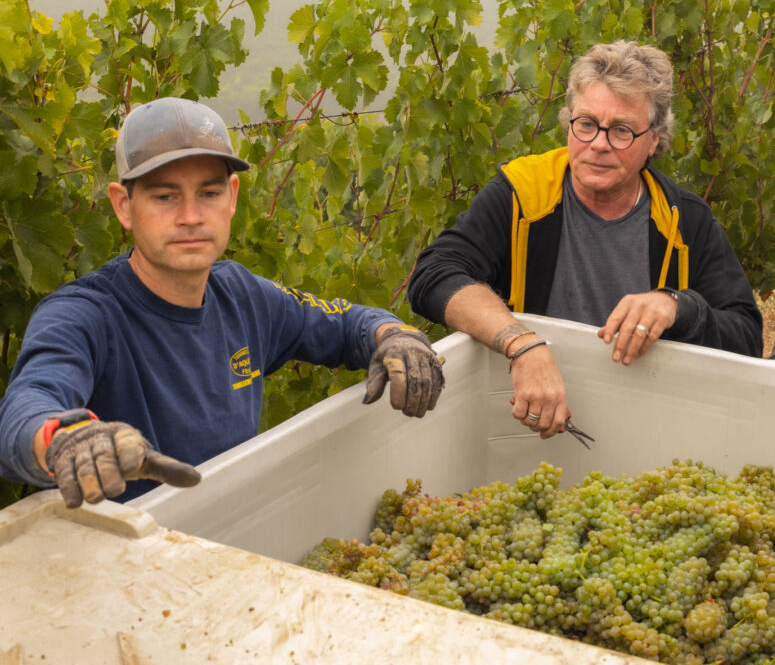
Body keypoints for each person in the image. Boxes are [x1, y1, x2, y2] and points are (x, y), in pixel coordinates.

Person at [0, 97, 445, 508]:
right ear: (123, 205)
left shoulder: (243, 297)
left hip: (230, 551)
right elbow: (28, 405)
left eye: (208, 193)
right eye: (164, 195)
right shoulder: (83, 314)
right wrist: (66, 438)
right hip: (125, 571)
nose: (191, 216)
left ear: (231, 197)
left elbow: (346, 323)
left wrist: (395, 335)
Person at [407, 40, 762, 440]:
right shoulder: (522, 194)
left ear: (653, 141)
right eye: (587, 124)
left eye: (622, 131)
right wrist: (520, 343)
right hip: (529, 426)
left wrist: (676, 306)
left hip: (648, 429)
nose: (598, 144)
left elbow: (747, 338)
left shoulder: (683, 220)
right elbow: (434, 275)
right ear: (569, 122)